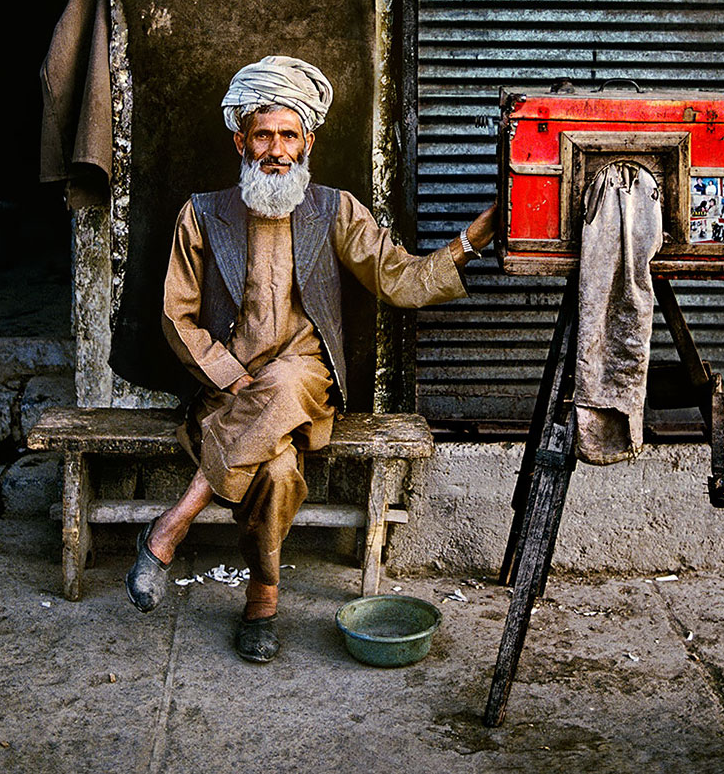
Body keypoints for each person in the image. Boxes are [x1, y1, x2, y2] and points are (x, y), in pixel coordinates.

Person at [125, 55, 496, 663]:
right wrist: (229, 373)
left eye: (289, 134)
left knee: (293, 374)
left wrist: (467, 243)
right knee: (275, 473)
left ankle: (173, 523)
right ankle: (263, 601)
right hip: (231, 398)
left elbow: (399, 280)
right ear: (240, 140)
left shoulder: (334, 209)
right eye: (263, 134)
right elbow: (176, 317)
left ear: (308, 141)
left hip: (306, 392)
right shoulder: (202, 213)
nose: (276, 149)